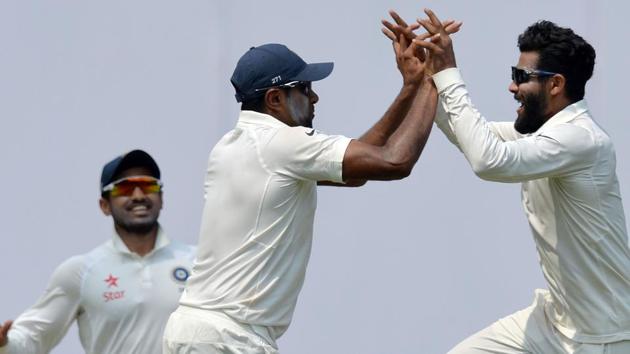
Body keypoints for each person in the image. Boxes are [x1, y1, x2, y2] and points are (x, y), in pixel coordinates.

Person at [162, 31, 464, 353]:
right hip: (228, 338)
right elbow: (394, 161)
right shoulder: (281, 144)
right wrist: (435, 79)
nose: (315, 98)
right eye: (304, 89)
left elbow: (355, 173)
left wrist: (410, 89)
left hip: (198, 329)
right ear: (275, 99)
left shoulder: (232, 146)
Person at [389, 8, 630, 354]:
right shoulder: (548, 135)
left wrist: (448, 72)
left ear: (556, 84)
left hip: (604, 338)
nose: (512, 86)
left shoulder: (581, 140)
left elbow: (488, 161)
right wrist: (425, 79)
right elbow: (472, 136)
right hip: (552, 322)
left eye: (521, 75)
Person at [0, 149, 196, 354]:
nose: (138, 195)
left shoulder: (198, 263)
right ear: (104, 206)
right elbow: (33, 337)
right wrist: (5, 344)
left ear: (161, 198)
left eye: (148, 185)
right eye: (125, 188)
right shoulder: (81, 271)